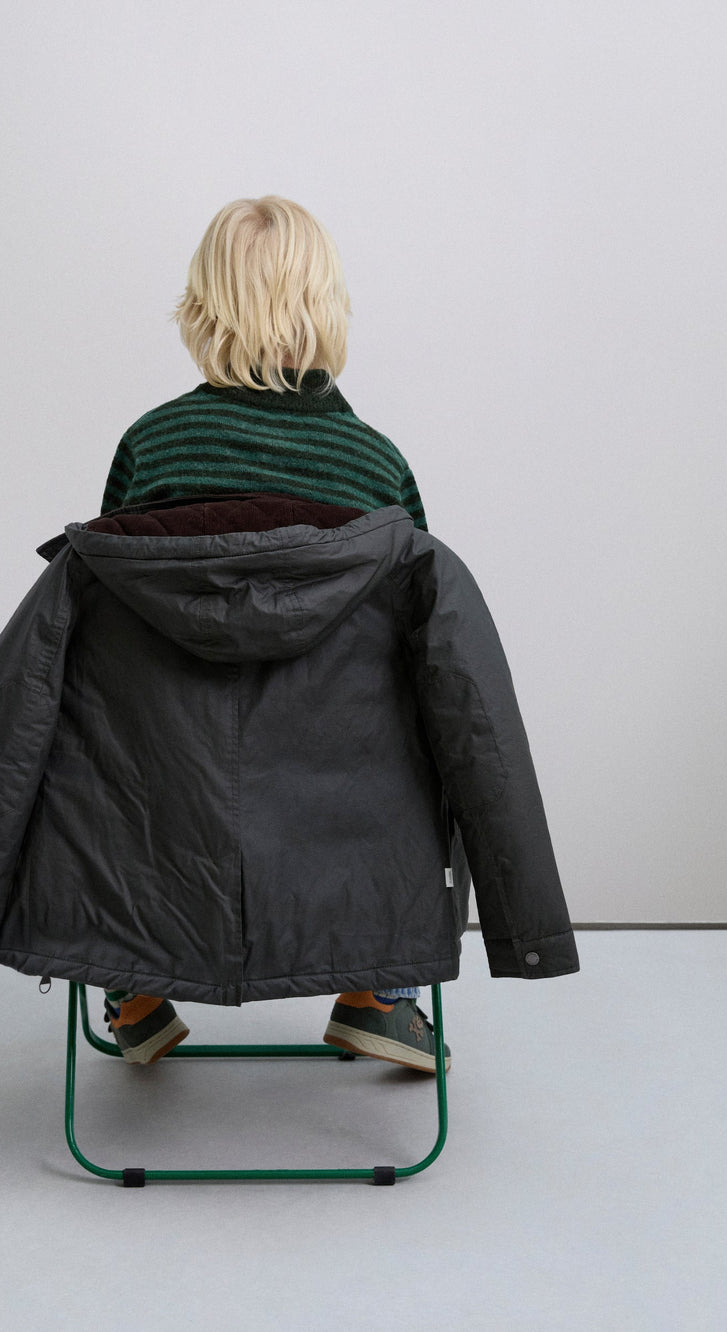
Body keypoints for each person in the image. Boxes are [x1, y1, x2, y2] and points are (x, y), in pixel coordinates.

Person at [98, 195, 449, 1075]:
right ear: (327, 307)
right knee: (419, 713)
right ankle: (379, 994)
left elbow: (110, 619)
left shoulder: (152, 449)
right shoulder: (377, 468)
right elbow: (420, 643)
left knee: (108, 724)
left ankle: (131, 986)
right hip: (338, 794)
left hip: (168, 790)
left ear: (203, 309)